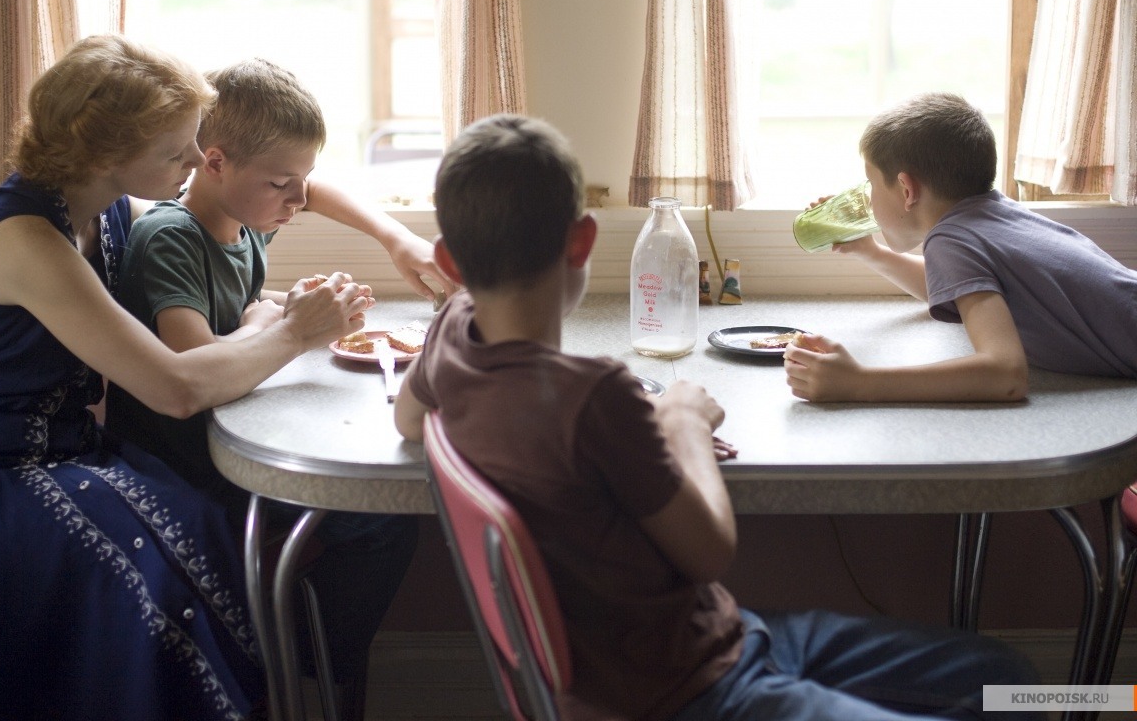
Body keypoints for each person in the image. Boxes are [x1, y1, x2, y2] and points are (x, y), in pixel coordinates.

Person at [392, 113, 1043, 721]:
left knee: (1002, 678)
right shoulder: (595, 398)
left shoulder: (452, 334)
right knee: (1016, 693)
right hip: (690, 691)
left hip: (710, 639)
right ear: (583, 242)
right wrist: (683, 422)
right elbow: (709, 551)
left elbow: (410, 420)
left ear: (448, 261)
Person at [0, 34, 372, 720]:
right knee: (170, 544)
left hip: (68, 448)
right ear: (105, 155)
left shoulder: (105, 208)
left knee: (200, 516)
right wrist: (290, 332)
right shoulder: (24, 238)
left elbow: (246, 215)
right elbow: (175, 388)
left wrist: (390, 244)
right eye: (177, 152)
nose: (198, 161)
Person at [106, 58, 420, 709]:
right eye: (282, 184)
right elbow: (194, 362)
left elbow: (295, 208)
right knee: (380, 521)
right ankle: (290, 661)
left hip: (228, 447)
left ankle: (299, 656)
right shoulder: (171, 238)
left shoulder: (244, 223)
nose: (298, 200)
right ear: (215, 163)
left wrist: (309, 298)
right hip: (188, 466)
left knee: (383, 514)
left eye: (302, 180)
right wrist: (270, 320)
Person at [784, 92, 1137, 403]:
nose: (867, 198)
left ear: (906, 190)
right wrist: (871, 251)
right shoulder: (990, 213)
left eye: (871, 184)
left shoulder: (949, 241)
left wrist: (858, 383)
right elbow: (955, 285)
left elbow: (1005, 375)